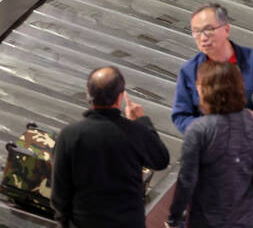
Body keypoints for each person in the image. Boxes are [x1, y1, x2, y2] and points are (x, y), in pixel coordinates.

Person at [51, 66, 170, 228]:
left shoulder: (70, 135)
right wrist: (142, 121)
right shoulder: (135, 132)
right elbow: (160, 160)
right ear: (119, 98)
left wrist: (64, 222)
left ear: (88, 94)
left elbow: (59, 192)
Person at [165, 61, 253, 228]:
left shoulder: (199, 129)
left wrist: (174, 218)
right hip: (247, 216)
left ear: (206, 90)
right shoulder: (251, 119)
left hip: (209, 219)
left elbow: (187, 179)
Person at [172, 4, 253, 134]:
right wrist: (210, 129)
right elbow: (181, 117)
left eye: (209, 30)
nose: (203, 38)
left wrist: (250, 125)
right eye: (196, 32)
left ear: (226, 29)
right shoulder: (189, 71)